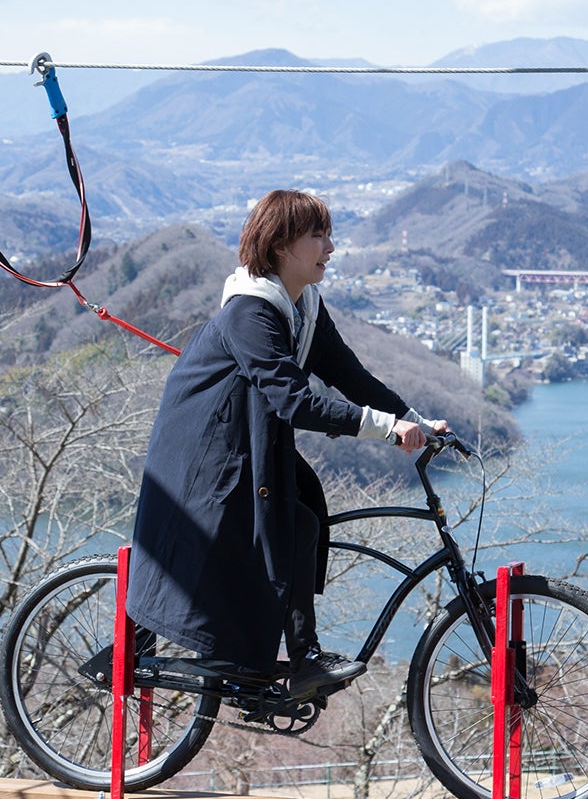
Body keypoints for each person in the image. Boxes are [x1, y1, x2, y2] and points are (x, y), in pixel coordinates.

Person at [125, 189, 449, 699]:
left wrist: (415, 420)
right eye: (317, 236)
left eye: (329, 234)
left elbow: (348, 374)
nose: (330, 247)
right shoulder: (249, 314)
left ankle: (294, 659)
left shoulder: (302, 306)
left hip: (248, 437)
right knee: (291, 525)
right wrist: (388, 430)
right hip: (206, 449)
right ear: (279, 246)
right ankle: (301, 659)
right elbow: (294, 401)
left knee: (301, 521)